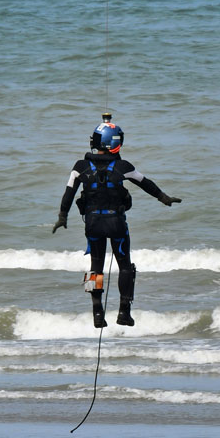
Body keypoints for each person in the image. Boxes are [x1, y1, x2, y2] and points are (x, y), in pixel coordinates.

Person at [52, 113, 181, 328]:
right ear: (115, 144)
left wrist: (62, 216)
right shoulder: (123, 167)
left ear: (96, 142)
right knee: (125, 268)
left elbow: (68, 194)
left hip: (93, 224)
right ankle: (124, 312)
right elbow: (145, 183)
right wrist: (164, 198)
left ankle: (97, 314)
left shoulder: (80, 167)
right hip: (117, 224)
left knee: (95, 269)